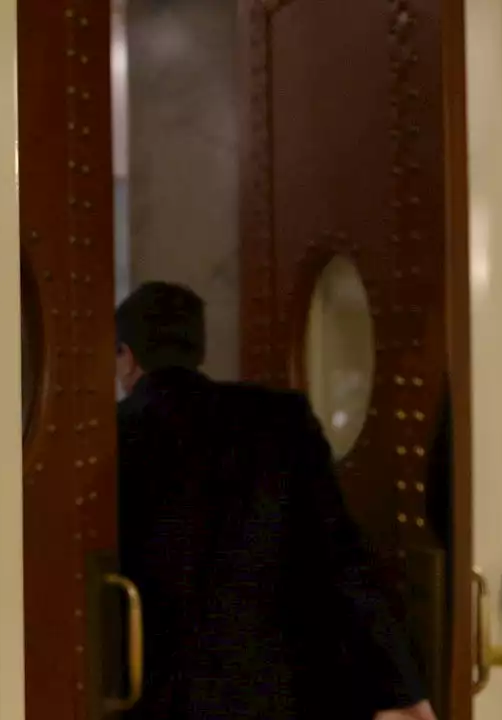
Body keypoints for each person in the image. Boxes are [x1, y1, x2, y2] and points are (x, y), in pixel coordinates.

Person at [115, 281, 435, 720]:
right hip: (269, 693)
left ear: (126, 356)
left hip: (149, 699)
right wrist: (401, 689)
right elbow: (341, 559)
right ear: (198, 349)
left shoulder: (111, 434)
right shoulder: (278, 420)